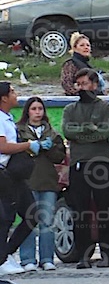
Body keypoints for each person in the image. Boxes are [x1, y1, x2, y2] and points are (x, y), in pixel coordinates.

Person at [62, 68, 109, 269]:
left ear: (95, 85)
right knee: (80, 211)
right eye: (79, 84)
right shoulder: (70, 110)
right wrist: (89, 128)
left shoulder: (105, 107)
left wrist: (84, 132)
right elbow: (68, 131)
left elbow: (104, 133)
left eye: (85, 83)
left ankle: (107, 254)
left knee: (104, 209)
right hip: (79, 164)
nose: (81, 88)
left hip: (100, 164)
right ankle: (83, 255)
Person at [16, 97, 66, 272]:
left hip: (47, 181)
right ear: (27, 111)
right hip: (27, 181)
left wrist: (50, 147)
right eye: (34, 109)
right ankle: (27, 258)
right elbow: (15, 152)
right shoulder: (19, 130)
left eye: (40, 109)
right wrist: (31, 147)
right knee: (29, 220)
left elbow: (59, 156)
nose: (37, 112)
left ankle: (47, 258)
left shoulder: (52, 132)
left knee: (47, 221)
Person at [0, 82, 45, 276]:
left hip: (16, 175)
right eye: (12, 92)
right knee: (6, 217)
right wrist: (27, 145)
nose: (16, 95)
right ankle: (1, 260)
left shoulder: (8, 118)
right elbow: (3, 147)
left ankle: (6, 253)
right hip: (4, 172)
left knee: (32, 213)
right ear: (3, 98)